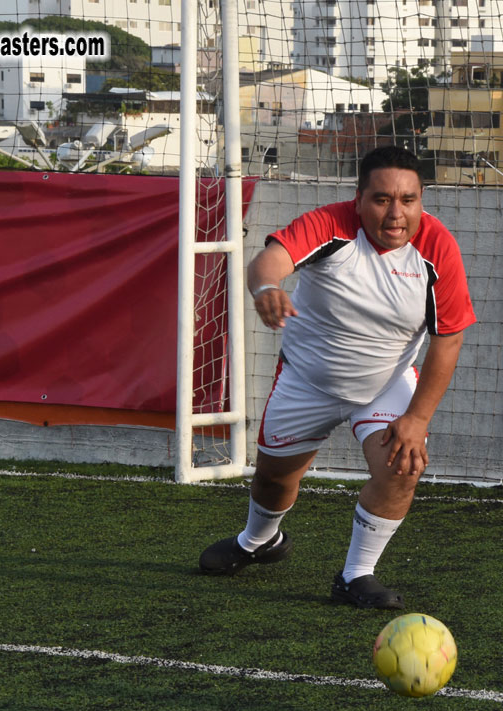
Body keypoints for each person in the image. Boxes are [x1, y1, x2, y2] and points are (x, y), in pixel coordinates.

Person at [199, 145, 476, 609]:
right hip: (306, 381)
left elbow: (448, 338)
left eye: (408, 200)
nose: (396, 213)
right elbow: (268, 261)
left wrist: (417, 418)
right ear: (359, 198)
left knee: (402, 467)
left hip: (384, 385)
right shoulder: (330, 224)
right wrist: (267, 288)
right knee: (273, 480)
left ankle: (355, 576)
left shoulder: (437, 248)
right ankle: (258, 540)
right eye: (382, 199)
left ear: (421, 200)